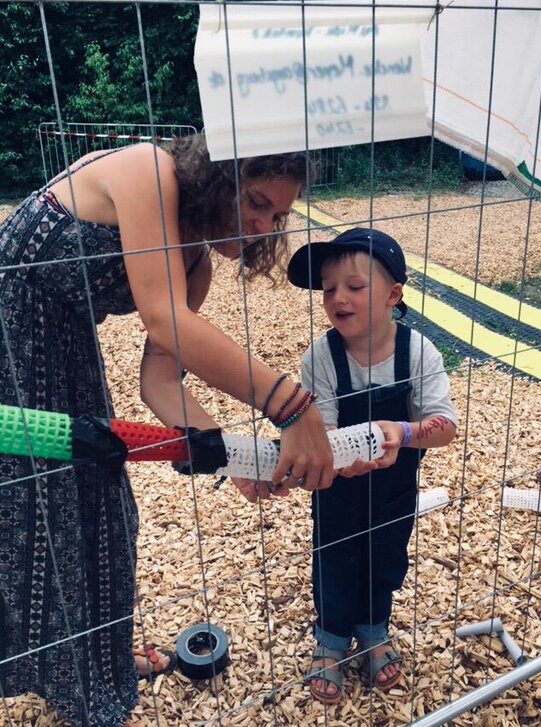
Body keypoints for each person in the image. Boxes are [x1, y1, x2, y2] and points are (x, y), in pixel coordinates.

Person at [0, 134, 333, 726]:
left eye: (278, 215)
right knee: (27, 519)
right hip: (7, 339)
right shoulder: (147, 170)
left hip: (65, 352)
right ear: (218, 176)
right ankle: (62, 676)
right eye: (255, 201)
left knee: (106, 514)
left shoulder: (196, 264)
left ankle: (93, 666)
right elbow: (165, 321)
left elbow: (159, 380)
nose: (262, 225)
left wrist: (235, 458)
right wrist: (293, 408)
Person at [287, 227, 457, 704]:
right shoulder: (320, 357)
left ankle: (374, 627)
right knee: (334, 556)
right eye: (328, 288)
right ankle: (332, 638)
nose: (337, 298)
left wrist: (402, 432)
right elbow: (322, 431)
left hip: (394, 489)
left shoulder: (418, 351)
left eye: (355, 287)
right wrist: (333, 460)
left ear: (393, 295)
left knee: (386, 556)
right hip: (335, 486)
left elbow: (444, 426)